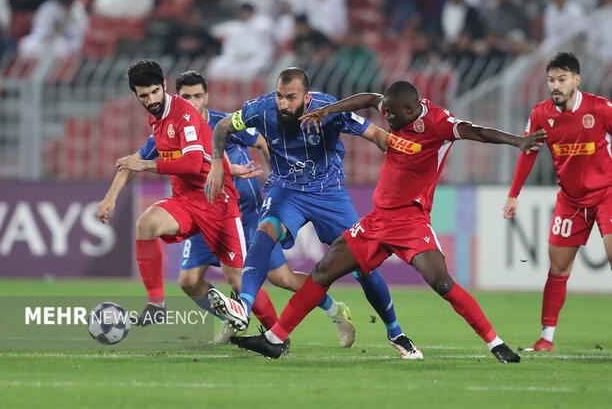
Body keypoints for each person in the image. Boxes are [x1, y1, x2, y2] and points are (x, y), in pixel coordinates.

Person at [230, 79, 548, 362]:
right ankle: (275, 340)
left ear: (410, 109)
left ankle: (495, 343)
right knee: (323, 270)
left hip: (411, 221)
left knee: (441, 282)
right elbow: (370, 99)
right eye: (388, 113)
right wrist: (327, 111)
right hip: (377, 220)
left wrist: (517, 141)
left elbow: (477, 131)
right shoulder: (394, 107)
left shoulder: (439, 122)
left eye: (393, 116)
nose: (388, 122)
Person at [206, 67, 423, 360]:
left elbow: (376, 134)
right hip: (286, 189)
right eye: (280, 96)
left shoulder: (329, 109)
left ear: (307, 98)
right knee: (264, 232)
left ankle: (396, 332)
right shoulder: (260, 109)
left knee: (363, 264)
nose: (283, 104)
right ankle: (242, 308)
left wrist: (411, 154)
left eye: (291, 98)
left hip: (328, 193)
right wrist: (217, 164)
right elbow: (222, 128)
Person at [137, 71, 356, 346]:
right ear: (176, 98)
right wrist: (112, 195)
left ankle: (333, 312)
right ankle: (233, 318)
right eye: (186, 97)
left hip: (245, 214)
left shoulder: (221, 123)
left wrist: (279, 177)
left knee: (281, 278)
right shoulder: (171, 125)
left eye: (197, 96)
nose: (192, 102)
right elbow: (142, 158)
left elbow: (262, 141)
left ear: (207, 96)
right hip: (201, 211)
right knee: (189, 281)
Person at [95, 60, 279, 331]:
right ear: (135, 94)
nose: (151, 100)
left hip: (217, 204)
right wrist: (110, 197)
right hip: (186, 201)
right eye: (144, 96)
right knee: (147, 224)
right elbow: (136, 161)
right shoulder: (157, 119)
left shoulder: (184, 114)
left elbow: (192, 164)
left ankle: (277, 335)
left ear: (164, 85)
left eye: (155, 92)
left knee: (238, 279)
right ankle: (156, 306)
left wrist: (145, 165)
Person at [503, 52, 612, 352]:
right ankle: (546, 339)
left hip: (607, 193)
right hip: (570, 200)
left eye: (562, 79)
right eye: (551, 80)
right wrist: (513, 194)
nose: (555, 85)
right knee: (559, 268)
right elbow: (528, 153)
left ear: (577, 80)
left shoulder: (600, 108)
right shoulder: (541, 114)